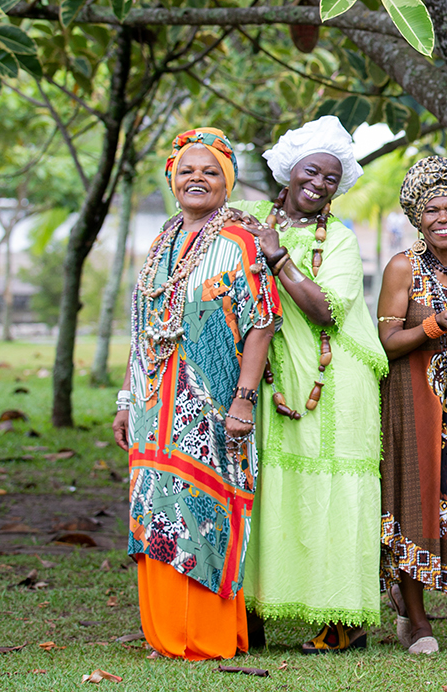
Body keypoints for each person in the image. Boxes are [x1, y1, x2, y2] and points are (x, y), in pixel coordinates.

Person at [114, 128, 279, 660]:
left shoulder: (239, 241)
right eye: (187, 170)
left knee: (202, 508)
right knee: (155, 508)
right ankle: (164, 634)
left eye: (210, 171)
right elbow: (142, 326)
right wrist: (126, 397)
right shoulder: (162, 238)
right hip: (151, 403)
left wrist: (244, 399)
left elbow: (263, 323)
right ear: (172, 178)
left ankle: (204, 634)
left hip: (210, 404)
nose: (197, 179)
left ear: (227, 182)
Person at [237, 116, 387, 653]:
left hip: (334, 382)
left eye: (331, 178)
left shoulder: (340, 242)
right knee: (267, 491)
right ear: (288, 169)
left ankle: (345, 621)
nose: (320, 184)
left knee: (332, 492)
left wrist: (277, 256)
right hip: (266, 376)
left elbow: (327, 310)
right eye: (312, 171)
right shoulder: (248, 219)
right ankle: (248, 612)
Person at [376, 156, 447, 654]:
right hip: (408, 399)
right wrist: (432, 327)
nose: (444, 217)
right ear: (418, 218)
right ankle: (416, 618)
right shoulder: (402, 267)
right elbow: (385, 342)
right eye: (433, 210)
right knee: (413, 497)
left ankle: (409, 601)